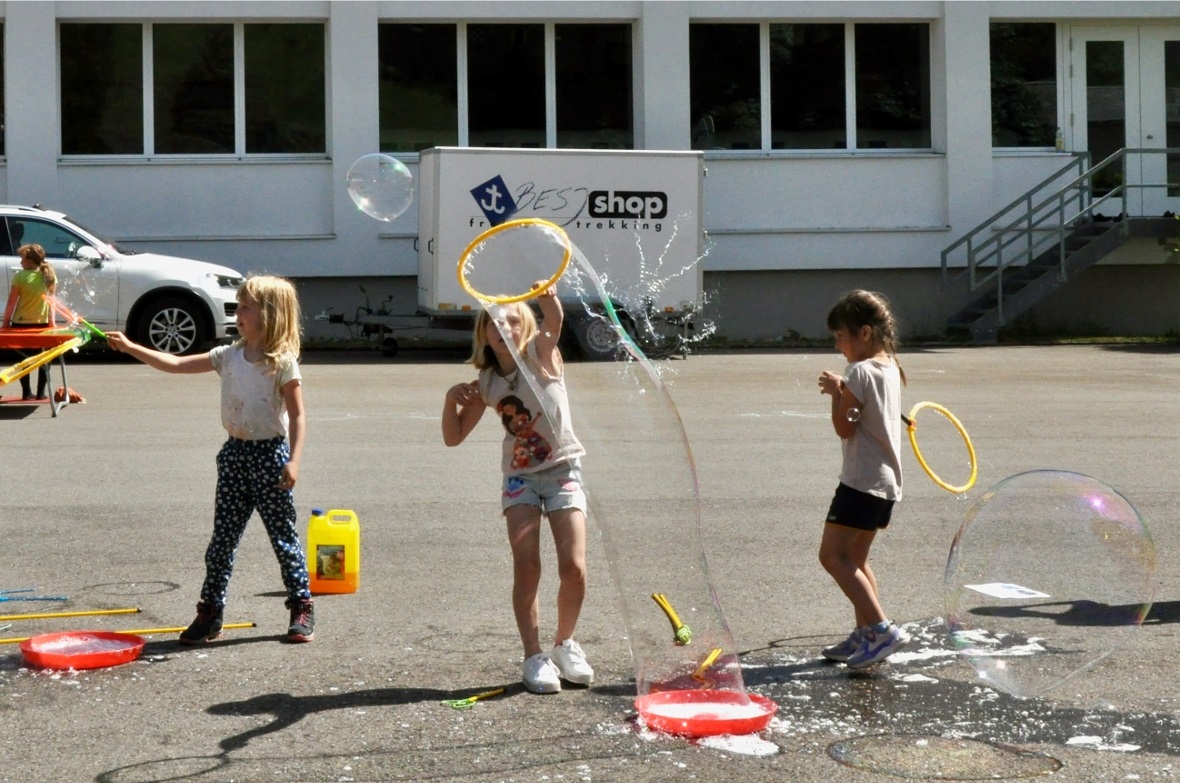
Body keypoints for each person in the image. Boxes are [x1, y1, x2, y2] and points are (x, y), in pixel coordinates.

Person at [106, 275, 314, 644]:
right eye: (239, 304)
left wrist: (294, 461)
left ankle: (301, 606)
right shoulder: (227, 356)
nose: (239, 312)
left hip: (270, 456)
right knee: (221, 542)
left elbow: (298, 416)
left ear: (269, 314)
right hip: (234, 455)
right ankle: (210, 613)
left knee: (283, 537)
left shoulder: (282, 363)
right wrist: (130, 347)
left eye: (246, 306)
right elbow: (172, 363)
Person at [441, 283, 594, 694]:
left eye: (511, 319)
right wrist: (448, 401)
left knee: (574, 567)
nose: (502, 327)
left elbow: (555, 321)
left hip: (563, 470)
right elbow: (453, 437)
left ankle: (565, 644)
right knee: (527, 565)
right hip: (520, 478)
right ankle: (534, 655)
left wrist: (547, 294)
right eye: (493, 322)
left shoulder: (541, 357)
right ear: (484, 333)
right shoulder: (488, 382)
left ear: (525, 326)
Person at [816, 289, 910, 669]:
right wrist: (845, 389)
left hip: (860, 482)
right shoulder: (889, 367)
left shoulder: (859, 371)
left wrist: (836, 393)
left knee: (832, 556)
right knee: (856, 557)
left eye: (841, 336)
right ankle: (865, 635)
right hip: (885, 484)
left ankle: (880, 629)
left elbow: (843, 427)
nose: (838, 345)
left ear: (865, 333)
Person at [2, 244, 57, 400]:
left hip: (20, 324)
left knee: (23, 360)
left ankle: (26, 392)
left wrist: (6, 322)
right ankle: (41, 393)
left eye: (22, 259)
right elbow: (52, 302)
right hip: (42, 323)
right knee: (44, 358)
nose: (20, 263)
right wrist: (52, 322)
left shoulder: (20, 277)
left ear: (30, 261)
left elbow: (12, 302)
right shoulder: (49, 275)